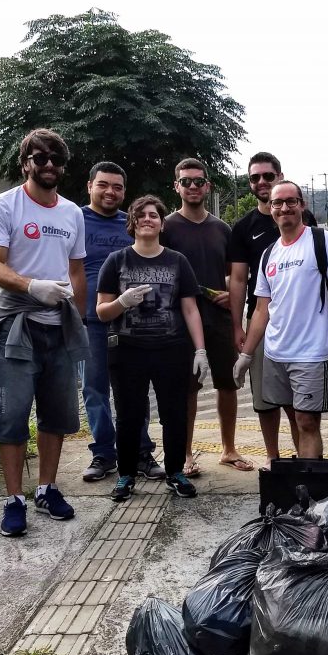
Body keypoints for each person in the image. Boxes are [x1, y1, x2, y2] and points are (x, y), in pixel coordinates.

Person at [0, 128, 88, 537]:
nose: (48, 165)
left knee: (56, 414)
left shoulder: (72, 213)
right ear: (25, 163)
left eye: (56, 159)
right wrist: (31, 286)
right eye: (40, 158)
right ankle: (14, 499)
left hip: (59, 325)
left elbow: (76, 270)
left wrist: (78, 319)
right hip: (17, 324)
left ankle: (46, 489)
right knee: (11, 415)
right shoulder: (4, 205)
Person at [97, 195, 209, 501]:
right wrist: (122, 302)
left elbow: (190, 309)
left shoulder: (177, 261)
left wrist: (200, 350)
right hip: (127, 349)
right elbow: (101, 311)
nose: (148, 219)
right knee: (128, 415)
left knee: (174, 413)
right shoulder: (116, 261)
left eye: (154, 215)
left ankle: (175, 472)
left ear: (162, 224)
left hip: (171, 348)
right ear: (132, 223)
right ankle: (126, 475)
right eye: (141, 215)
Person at [232, 182, 328, 458]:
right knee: (292, 416)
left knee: (307, 421)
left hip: (311, 353)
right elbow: (262, 309)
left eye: (291, 201)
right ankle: (303, 476)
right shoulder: (269, 254)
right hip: (276, 353)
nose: (284, 208)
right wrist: (247, 355)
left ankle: (311, 483)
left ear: (302, 204)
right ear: (271, 208)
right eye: (278, 203)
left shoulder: (323, 241)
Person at [161, 158, 251, 477]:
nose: (193, 187)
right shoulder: (166, 227)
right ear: (177, 186)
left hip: (220, 318)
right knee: (188, 388)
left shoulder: (222, 229)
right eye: (186, 181)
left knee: (228, 384)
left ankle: (229, 449)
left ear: (208, 186)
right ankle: (186, 454)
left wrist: (230, 294)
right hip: (181, 321)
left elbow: (234, 275)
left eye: (198, 181)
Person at [228, 152, 316, 469]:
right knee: (264, 400)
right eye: (255, 177)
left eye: (268, 175)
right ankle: (273, 458)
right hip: (262, 320)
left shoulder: (305, 219)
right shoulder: (243, 228)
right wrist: (237, 326)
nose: (262, 182)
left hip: (301, 325)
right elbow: (239, 280)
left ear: (280, 175)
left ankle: (302, 462)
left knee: (297, 405)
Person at [79, 161, 164, 483]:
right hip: (91, 320)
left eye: (117, 187)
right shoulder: (75, 220)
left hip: (132, 322)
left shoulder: (130, 223)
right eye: (103, 184)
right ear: (90, 186)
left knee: (135, 390)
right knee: (94, 388)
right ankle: (103, 453)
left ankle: (141, 451)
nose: (110, 192)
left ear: (124, 192)